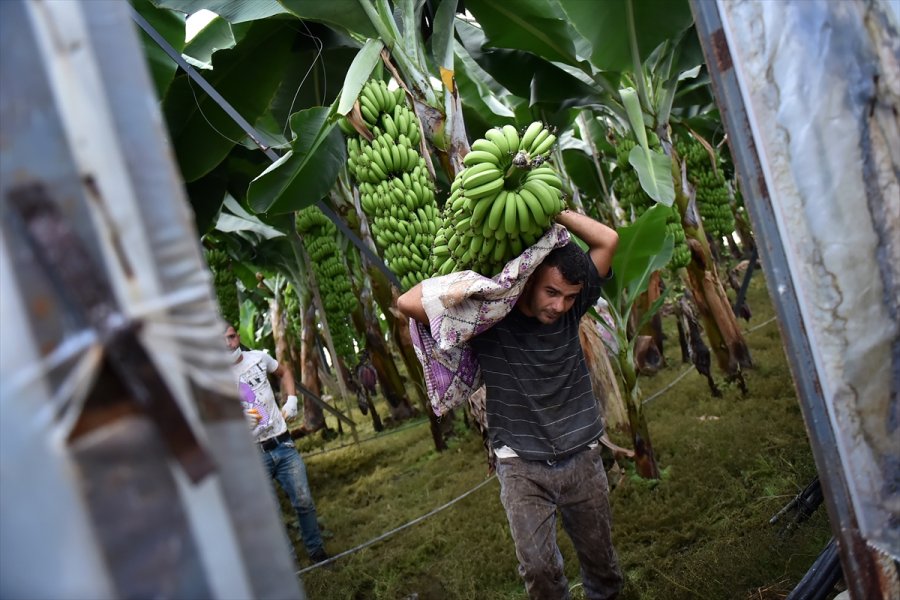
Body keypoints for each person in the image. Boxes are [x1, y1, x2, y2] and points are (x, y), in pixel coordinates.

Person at [397, 209, 623, 599]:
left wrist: (555, 214)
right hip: (520, 464)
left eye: (569, 298)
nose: (560, 306)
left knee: (601, 563)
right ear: (529, 279)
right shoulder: (486, 321)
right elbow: (407, 302)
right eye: (551, 292)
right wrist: (483, 285)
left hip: (581, 454)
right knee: (538, 570)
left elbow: (608, 241)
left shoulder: (574, 306)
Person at [224, 325, 329, 565]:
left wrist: (292, 399)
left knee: (304, 501)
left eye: (231, 337)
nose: (228, 343)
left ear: (238, 337)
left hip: (283, 445)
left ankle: (317, 552)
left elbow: (284, 372)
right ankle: (289, 563)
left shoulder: (258, 358)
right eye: (222, 340)